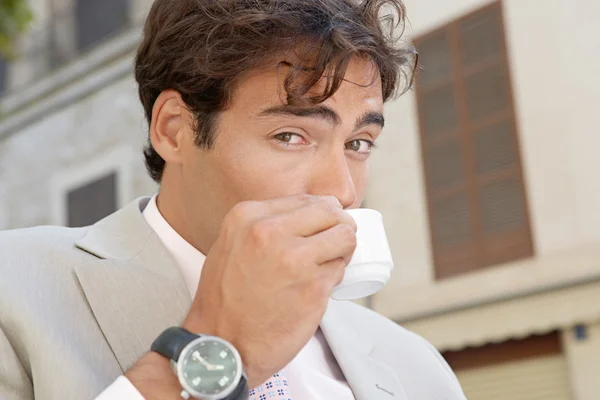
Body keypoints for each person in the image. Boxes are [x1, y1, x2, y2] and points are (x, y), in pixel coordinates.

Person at [0, 0, 467, 399]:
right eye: (290, 135)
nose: (342, 191)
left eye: (358, 144)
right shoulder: (15, 289)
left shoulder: (417, 366)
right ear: (174, 129)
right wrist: (213, 348)